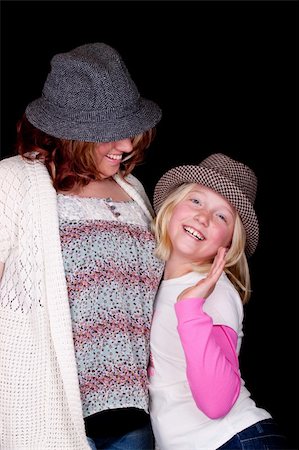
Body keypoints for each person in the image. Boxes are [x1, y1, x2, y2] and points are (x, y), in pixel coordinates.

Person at [0, 42, 165, 450]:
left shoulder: (135, 191)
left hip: (134, 415)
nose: (126, 145)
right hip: (48, 411)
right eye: (110, 133)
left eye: (130, 129)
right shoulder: (15, 182)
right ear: (72, 132)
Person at [148, 153, 289, 449]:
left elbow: (217, 403)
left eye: (222, 216)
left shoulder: (214, 293)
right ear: (173, 206)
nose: (203, 217)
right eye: (196, 201)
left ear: (228, 242)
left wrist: (189, 308)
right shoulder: (156, 280)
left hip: (232, 440)